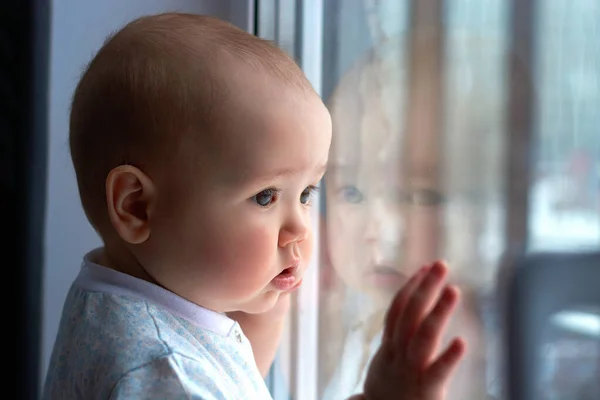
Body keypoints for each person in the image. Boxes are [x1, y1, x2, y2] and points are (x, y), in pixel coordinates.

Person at [42, 13, 467, 400]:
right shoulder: (167, 374)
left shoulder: (112, 297)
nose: (301, 229)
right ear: (136, 206)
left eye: (306, 193)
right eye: (265, 196)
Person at [319, 34, 503, 400]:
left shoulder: (467, 351)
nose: (379, 230)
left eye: (421, 197)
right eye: (351, 193)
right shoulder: (344, 324)